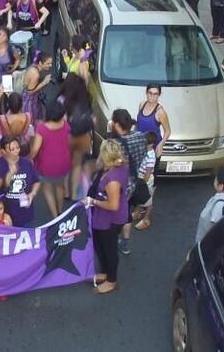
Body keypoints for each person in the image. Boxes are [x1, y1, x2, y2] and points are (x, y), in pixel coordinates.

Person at [82, 139, 128, 295]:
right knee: (100, 245)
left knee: (109, 249)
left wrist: (93, 201)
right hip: (104, 216)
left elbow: (113, 205)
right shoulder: (118, 165)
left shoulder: (112, 180)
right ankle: (106, 273)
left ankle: (111, 281)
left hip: (110, 219)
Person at [110, 109, 148, 256]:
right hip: (134, 183)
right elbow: (143, 154)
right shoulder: (140, 137)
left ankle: (111, 243)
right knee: (126, 214)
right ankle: (125, 244)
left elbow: (108, 166)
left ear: (116, 124)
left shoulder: (114, 144)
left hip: (120, 187)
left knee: (114, 217)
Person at [30, 100, 71, 218]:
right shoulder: (66, 125)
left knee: (47, 189)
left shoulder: (42, 129)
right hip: (63, 162)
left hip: (46, 165)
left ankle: (55, 215)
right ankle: (60, 210)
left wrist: (30, 158)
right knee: (59, 186)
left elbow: (35, 149)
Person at [57, 74, 94, 201]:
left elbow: (60, 120)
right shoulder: (85, 98)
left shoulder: (62, 99)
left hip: (67, 135)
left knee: (66, 166)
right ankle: (74, 194)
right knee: (77, 165)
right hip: (83, 135)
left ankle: (66, 192)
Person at [0, 135, 39, 227]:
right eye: (12, 149)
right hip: (5, 212)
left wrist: (32, 193)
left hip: (24, 211)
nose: (16, 151)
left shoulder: (27, 163)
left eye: (17, 147)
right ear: (3, 151)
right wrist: (9, 174)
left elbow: (36, 181)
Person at [136, 83, 171, 156]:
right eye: (150, 93)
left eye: (155, 94)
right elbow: (139, 123)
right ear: (146, 92)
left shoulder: (160, 112)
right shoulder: (142, 104)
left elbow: (167, 131)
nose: (152, 96)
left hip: (153, 148)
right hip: (140, 146)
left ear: (159, 95)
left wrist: (160, 145)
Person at [21, 51, 52, 122]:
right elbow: (30, 92)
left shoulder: (35, 65)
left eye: (50, 63)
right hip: (30, 102)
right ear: (40, 63)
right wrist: (44, 83)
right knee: (30, 122)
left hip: (34, 100)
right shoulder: (35, 74)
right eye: (48, 63)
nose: (50, 65)